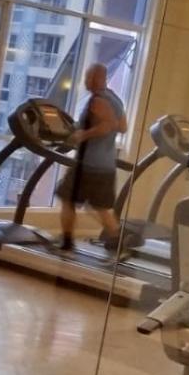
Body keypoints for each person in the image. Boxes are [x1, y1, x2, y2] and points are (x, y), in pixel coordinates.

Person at [54, 63, 128, 252]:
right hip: (106, 165)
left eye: (89, 77)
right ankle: (118, 239)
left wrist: (83, 135)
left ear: (99, 79)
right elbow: (122, 127)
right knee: (100, 207)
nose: (87, 81)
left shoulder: (98, 100)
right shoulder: (115, 99)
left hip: (88, 164)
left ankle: (67, 241)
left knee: (67, 199)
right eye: (87, 77)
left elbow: (107, 125)